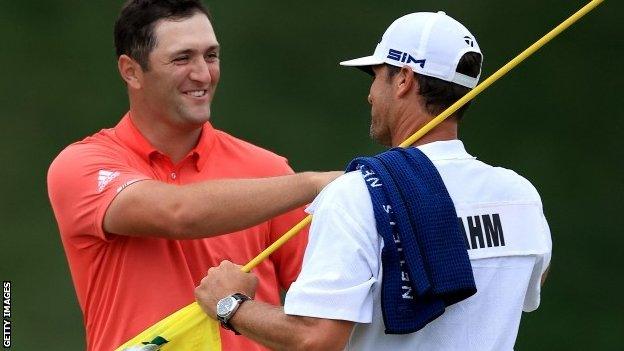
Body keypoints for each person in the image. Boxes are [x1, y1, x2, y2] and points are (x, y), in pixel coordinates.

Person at [195, 11, 552, 351]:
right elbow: (528, 285)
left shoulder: (358, 193)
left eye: (376, 76)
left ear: (403, 80)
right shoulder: (521, 196)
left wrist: (230, 304)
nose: (370, 94)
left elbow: (315, 338)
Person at [46, 1, 340, 350]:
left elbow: (321, 324)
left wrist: (239, 310)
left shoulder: (269, 171)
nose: (203, 74)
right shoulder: (82, 165)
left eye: (211, 56)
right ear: (131, 71)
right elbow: (178, 213)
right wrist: (313, 184)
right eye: (182, 58)